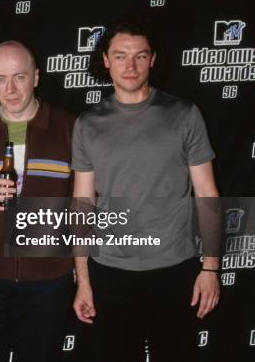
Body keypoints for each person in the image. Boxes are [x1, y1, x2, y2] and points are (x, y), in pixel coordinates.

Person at [71, 20, 221, 362]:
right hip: (109, 272)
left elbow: (207, 192)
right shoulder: (88, 124)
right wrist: (83, 279)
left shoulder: (184, 114)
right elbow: (82, 205)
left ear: (153, 59)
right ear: (106, 60)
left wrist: (210, 268)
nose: (131, 65)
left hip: (174, 268)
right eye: (121, 56)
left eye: (140, 56)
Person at [0, 40, 75, 362]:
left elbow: (86, 203)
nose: (10, 89)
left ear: (36, 77)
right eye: (0, 79)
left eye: (19, 77)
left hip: (48, 278)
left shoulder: (68, 128)